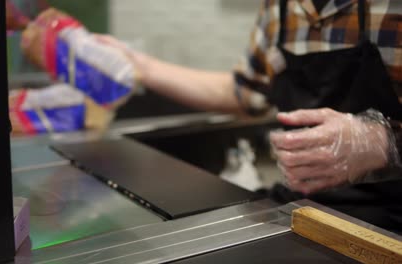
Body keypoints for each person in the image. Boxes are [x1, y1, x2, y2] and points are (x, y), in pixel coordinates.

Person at [95, 0, 402, 232]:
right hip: (302, 209)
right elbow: (245, 94)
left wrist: (387, 143)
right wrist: (140, 67)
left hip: (389, 224)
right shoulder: (281, 8)